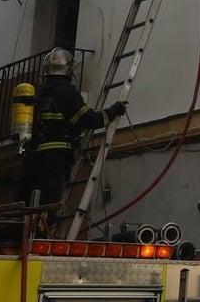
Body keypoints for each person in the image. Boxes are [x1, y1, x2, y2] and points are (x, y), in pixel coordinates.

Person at [17, 48, 127, 212]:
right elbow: (90, 120)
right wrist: (114, 110)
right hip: (55, 158)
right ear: (68, 69)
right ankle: (43, 233)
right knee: (49, 206)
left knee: (29, 205)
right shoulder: (66, 92)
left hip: (32, 158)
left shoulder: (39, 93)